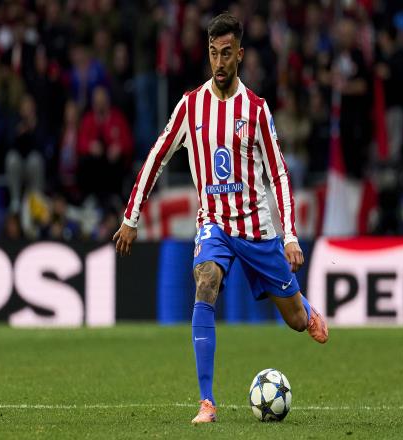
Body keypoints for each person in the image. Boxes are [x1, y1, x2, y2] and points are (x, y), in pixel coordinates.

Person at [112, 13, 328, 424]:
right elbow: (157, 156)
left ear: (240, 55)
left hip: (258, 230)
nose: (219, 62)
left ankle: (305, 306)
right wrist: (131, 217)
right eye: (213, 53)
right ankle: (207, 402)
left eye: (227, 53)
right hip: (214, 225)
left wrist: (290, 236)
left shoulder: (257, 110)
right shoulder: (191, 106)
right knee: (206, 282)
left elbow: (279, 174)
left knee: (296, 321)